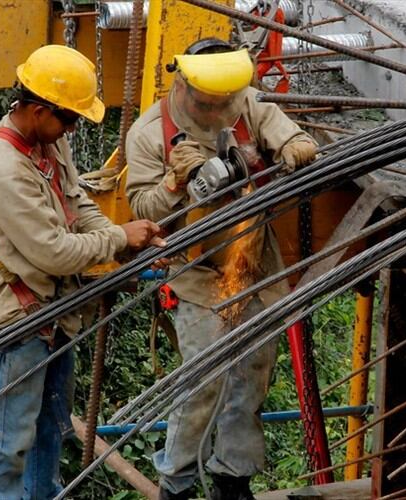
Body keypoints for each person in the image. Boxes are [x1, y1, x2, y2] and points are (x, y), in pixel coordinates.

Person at [0, 45, 165, 499]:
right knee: (2, 448)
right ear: (37, 110)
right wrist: (120, 239)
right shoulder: (3, 168)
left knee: (49, 431)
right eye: (70, 120)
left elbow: (78, 206)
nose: (72, 130)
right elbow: (53, 252)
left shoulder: (48, 143)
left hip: (57, 315)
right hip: (22, 321)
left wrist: (121, 234)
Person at [125, 38, 318, 500]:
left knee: (252, 376)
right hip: (199, 274)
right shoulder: (149, 133)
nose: (216, 113)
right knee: (202, 383)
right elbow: (143, 210)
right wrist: (176, 180)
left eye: (223, 104)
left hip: (255, 263)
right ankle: (177, 484)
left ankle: (233, 479)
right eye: (207, 104)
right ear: (185, 87)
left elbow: (291, 135)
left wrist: (295, 148)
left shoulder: (247, 103)